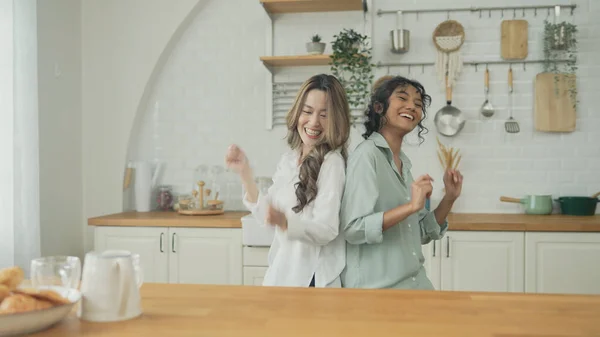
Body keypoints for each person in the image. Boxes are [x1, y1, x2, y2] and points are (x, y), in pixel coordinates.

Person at [225, 74, 351, 288]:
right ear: (297, 113)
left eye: (324, 115)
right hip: (284, 274)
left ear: (336, 120)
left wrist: (285, 222)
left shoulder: (332, 163)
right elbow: (266, 213)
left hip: (311, 280)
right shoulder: (290, 159)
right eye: (308, 111)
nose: (313, 122)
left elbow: (327, 229)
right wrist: (245, 174)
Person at [340, 75, 463, 290]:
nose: (412, 107)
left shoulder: (403, 163)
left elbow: (420, 232)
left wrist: (449, 198)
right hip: (378, 291)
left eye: (418, 104)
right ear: (379, 107)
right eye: (403, 98)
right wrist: (410, 207)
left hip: (415, 284)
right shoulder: (367, 156)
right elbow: (353, 229)